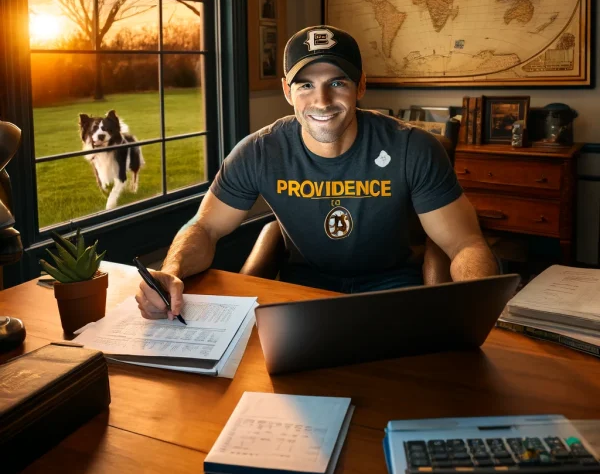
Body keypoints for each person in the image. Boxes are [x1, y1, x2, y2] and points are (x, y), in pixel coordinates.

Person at [136, 25, 497, 319]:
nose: (322, 101)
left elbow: (464, 244)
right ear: (286, 91)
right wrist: (171, 271)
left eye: (337, 82)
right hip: (302, 292)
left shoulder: (412, 147)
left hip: (391, 289)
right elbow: (205, 227)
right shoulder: (258, 152)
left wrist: (479, 309)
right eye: (306, 85)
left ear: (361, 86)